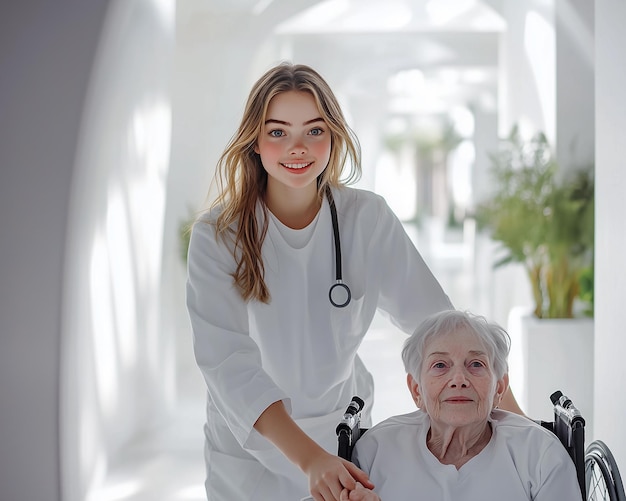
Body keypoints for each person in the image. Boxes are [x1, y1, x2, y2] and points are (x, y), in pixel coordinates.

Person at [186, 62, 522, 501]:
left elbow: (440, 327)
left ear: (333, 136)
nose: (298, 147)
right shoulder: (217, 235)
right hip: (251, 448)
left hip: (341, 439)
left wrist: (521, 428)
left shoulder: (367, 219)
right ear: (254, 140)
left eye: (314, 130)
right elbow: (230, 366)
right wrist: (310, 460)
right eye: (277, 132)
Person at [339, 310, 580, 501]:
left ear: (499, 388)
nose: (459, 380)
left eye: (476, 364)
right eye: (440, 365)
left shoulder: (541, 455)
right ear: (416, 390)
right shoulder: (376, 450)